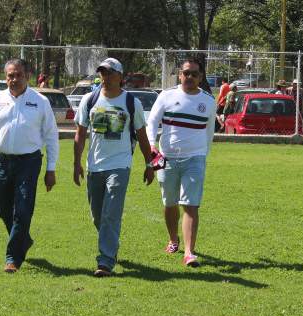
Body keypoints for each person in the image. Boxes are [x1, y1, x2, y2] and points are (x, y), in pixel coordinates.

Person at [0, 58, 59, 273]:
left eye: (19, 75)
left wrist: (51, 168)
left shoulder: (40, 101)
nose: (14, 79)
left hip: (29, 162)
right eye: (10, 75)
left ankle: (12, 258)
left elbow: (51, 136)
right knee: (4, 211)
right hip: (2, 162)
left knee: (22, 210)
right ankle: (23, 240)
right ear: (5, 77)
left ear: (27, 76)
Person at [73, 57, 155, 277]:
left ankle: (105, 261)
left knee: (111, 214)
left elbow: (142, 136)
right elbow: (80, 134)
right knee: (98, 216)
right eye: (102, 73)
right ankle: (111, 244)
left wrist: (150, 164)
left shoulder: (131, 103)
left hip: (120, 165)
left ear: (120, 76)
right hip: (95, 166)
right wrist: (76, 163)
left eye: (109, 73)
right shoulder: (89, 100)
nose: (105, 77)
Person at [145, 59, 217, 267]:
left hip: (195, 158)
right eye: (186, 73)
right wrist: (151, 146)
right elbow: (152, 122)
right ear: (179, 75)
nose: (190, 77)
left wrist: (203, 153)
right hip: (166, 158)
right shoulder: (166, 96)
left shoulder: (208, 101)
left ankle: (189, 252)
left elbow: (209, 131)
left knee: (191, 204)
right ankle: (173, 239)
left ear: (200, 77)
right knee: (169, 204)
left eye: (194, 74)